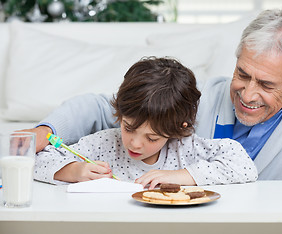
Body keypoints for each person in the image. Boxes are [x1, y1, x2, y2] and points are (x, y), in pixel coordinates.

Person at [25, 8, 282, 180]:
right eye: (242, 74)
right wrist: (47, 131)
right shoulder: (202, 99)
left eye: (267, 85)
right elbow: (104, 107)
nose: (247, 93)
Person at [34, 57, 258, 188]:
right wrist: (74, 171)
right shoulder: (103, 145)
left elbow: (244, 166)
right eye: (128, 128)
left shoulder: (186, 149)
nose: (135, 144)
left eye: (152, 137)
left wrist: (181, 176)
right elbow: (34, 160)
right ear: (120, 114)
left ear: (178, 128)